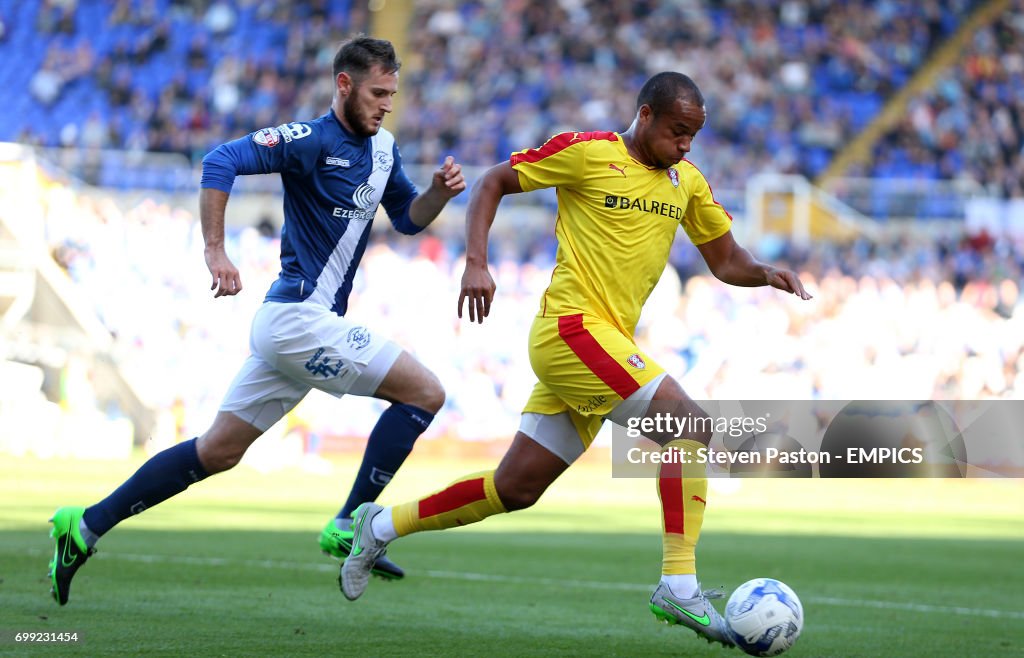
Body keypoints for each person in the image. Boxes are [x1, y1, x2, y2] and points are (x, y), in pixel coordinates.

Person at [339, 72, 811, 646]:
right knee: (689, 426)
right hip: (570, 331)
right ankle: (678, 586)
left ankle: (379, 524)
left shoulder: (686, 183)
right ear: (645, 116)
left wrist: (764, 273)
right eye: (678, 132)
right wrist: (477, 262)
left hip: (606, 346)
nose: (686, 145)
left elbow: (726, 258)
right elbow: (493, 182)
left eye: (694, 136)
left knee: (515, 488)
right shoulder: (587, 153)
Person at [47, 36, 466, 606]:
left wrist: (438, 195)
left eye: (392, 93)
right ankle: (349, 522)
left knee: (217, 452)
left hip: (301, 327)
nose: (386, 104)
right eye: (376, 92)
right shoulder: (309, 140)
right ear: (343, 85)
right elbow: (221, 159)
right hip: (297, 320)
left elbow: (408, 218)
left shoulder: (385, 148)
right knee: (425, 392)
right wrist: (215, 251)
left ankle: (85, 526)